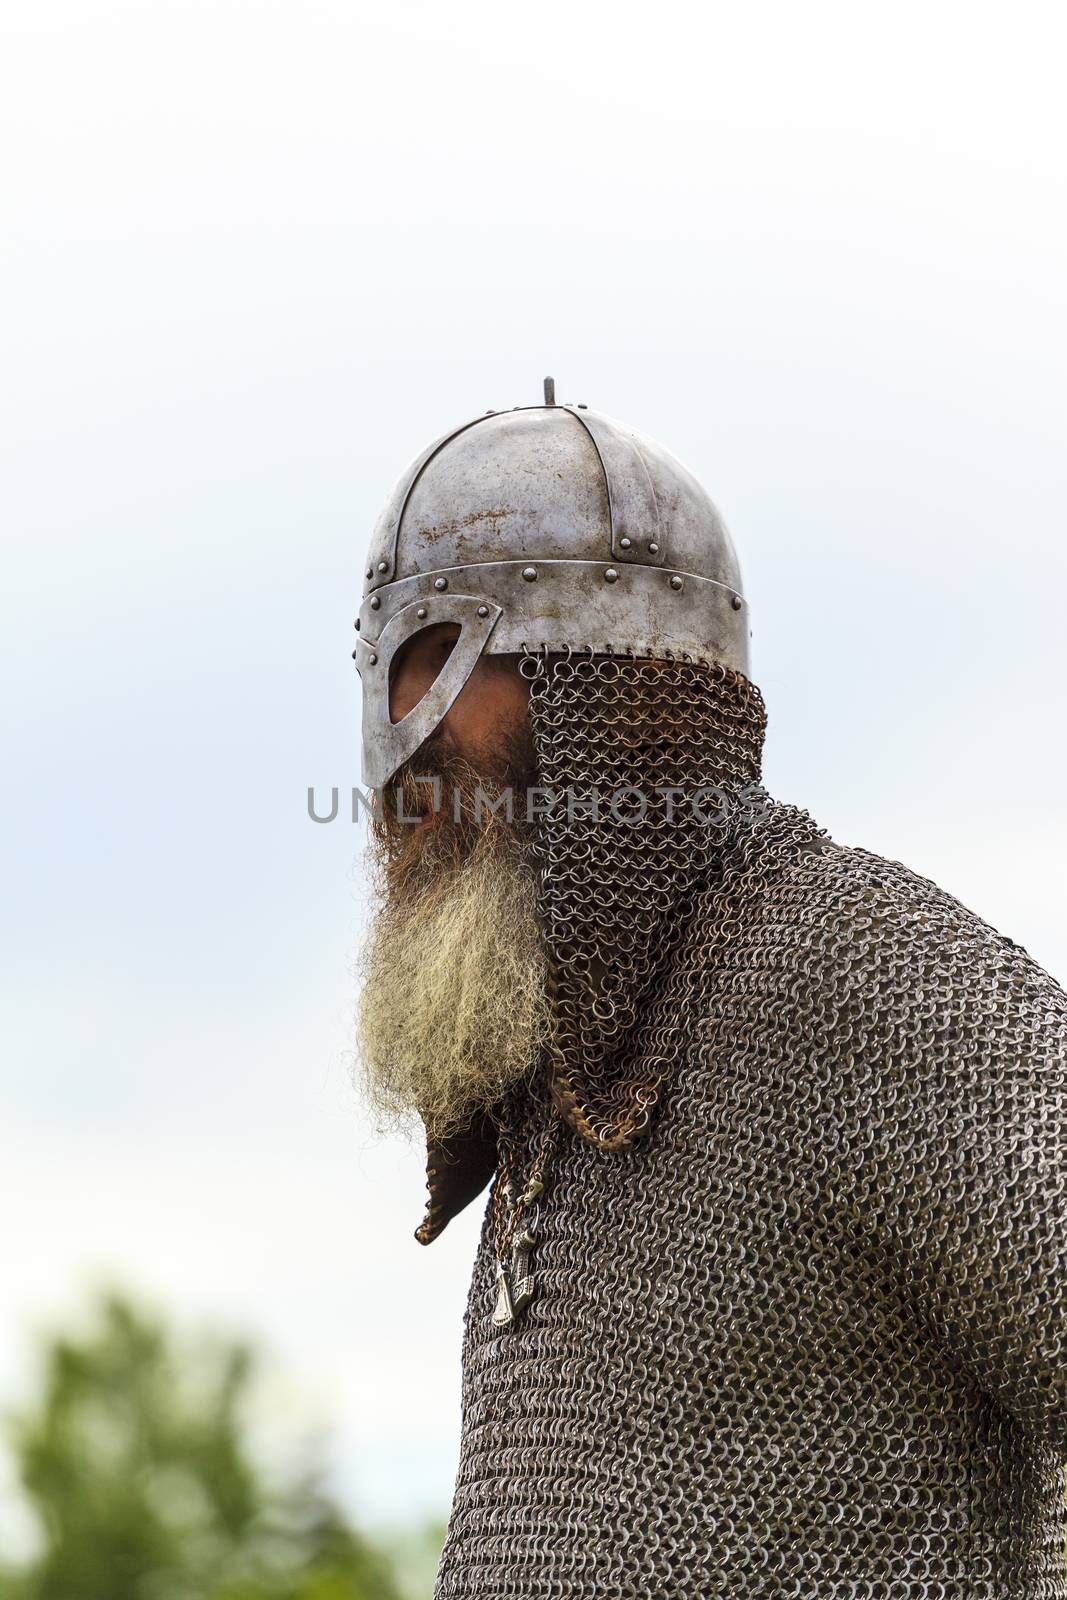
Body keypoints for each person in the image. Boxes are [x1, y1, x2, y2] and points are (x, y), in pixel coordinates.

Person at [353, 382, 1067, 1598]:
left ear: (609, 693)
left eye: (439, 667)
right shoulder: (567, 1089)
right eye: (384, 674)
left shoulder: (856, 980)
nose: (400, 744)